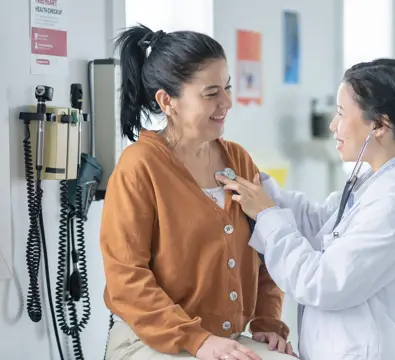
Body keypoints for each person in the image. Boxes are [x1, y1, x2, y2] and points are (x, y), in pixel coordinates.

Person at [216, 58, 395, 360]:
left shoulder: (394, 206)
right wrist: (257, 185)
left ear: (379, 125)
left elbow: (322, 283)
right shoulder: (375, 179)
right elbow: (320, 222)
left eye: (340, 113)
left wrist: (267, 215)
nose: (333, 125)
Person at [100, 24, 297, 360]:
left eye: (228, 88)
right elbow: (126, 278)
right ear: (167, 101)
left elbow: (267, 249)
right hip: (150, 340)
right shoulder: (139, 166)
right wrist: (198, 340)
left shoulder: (238, 159)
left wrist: (267, 320)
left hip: (225, 340)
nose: (227, 102)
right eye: (211, 93)